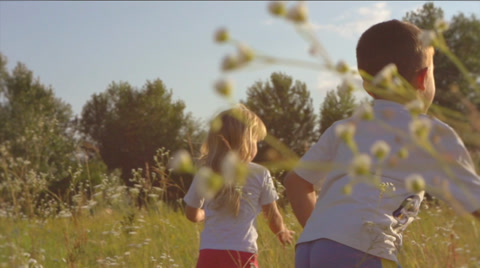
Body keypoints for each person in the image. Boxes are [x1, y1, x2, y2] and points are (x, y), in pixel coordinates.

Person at [284, 19, 480, 268]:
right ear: (422, 79)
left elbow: (296, 181)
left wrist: (327, 234)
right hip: (362, 250)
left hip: (309, 249)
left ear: (366, 85)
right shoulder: (429, 132)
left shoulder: (346, 128)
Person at [184, 104, 294, 268]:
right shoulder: (260, 173)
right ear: (246, 142)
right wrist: (282, 231)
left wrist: (204, 214)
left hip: (209, 254)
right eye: (256, 141)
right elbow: (272, 215)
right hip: (242, 254)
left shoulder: (205, 172)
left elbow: (191, 214)